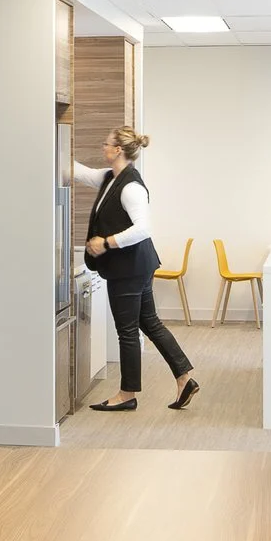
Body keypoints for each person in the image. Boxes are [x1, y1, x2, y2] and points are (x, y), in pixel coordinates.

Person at [75, 125, 197, 412]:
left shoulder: (131, 187)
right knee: (150, 322)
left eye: (106, 144)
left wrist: (106, 242)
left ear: (118, 149)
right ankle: (184, 378)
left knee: (127, 331)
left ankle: (126, 394)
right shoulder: (110, 178)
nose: (103, 147)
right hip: (136, 265)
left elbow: (143, 229)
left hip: (129, 268)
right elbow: (80, 173)